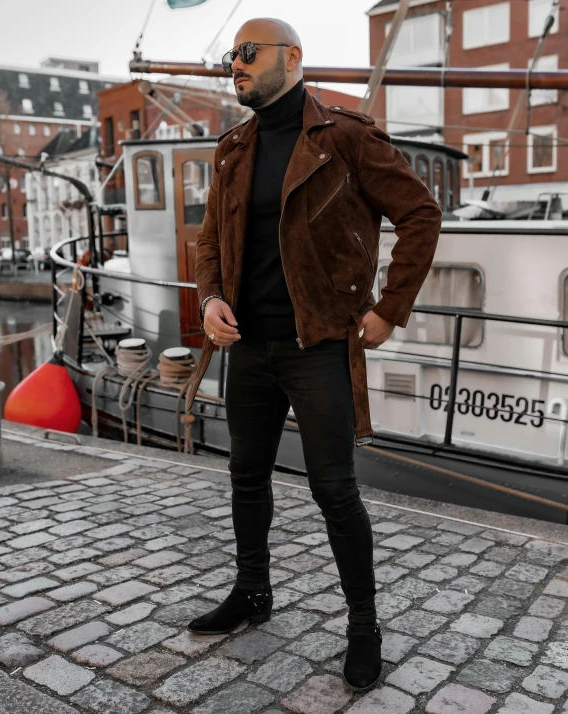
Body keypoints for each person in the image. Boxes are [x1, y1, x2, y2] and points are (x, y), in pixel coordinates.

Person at [185, 17, 442, 692]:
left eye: (246, 53)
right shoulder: (233, 147)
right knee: (246, 475)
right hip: (250, 346)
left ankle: (364, 625)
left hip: (317, 343)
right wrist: (210, 300)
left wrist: (391, 308)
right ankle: (252, 591)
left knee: (334, 490)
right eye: (229, 57)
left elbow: (420, 213)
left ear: (291, 57)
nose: (234, 65)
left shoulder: (346, 135)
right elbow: (208, 240)